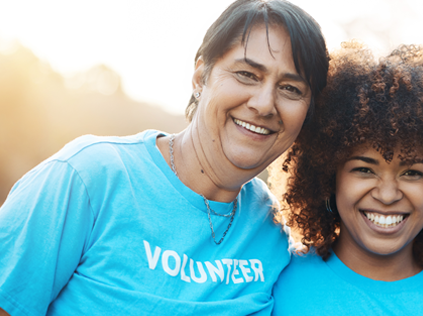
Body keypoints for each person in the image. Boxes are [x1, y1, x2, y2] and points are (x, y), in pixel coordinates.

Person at [0, 0, 328, 315]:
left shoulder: (271, 230)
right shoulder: (87, 179)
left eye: (291, 89)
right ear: (201, 77)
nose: (264, 103)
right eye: (247, 74)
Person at [269, 42, 423, 315]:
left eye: (412, 173)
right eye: (364, 169)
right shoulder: (278, 283)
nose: (387, 195)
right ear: (329, 178)